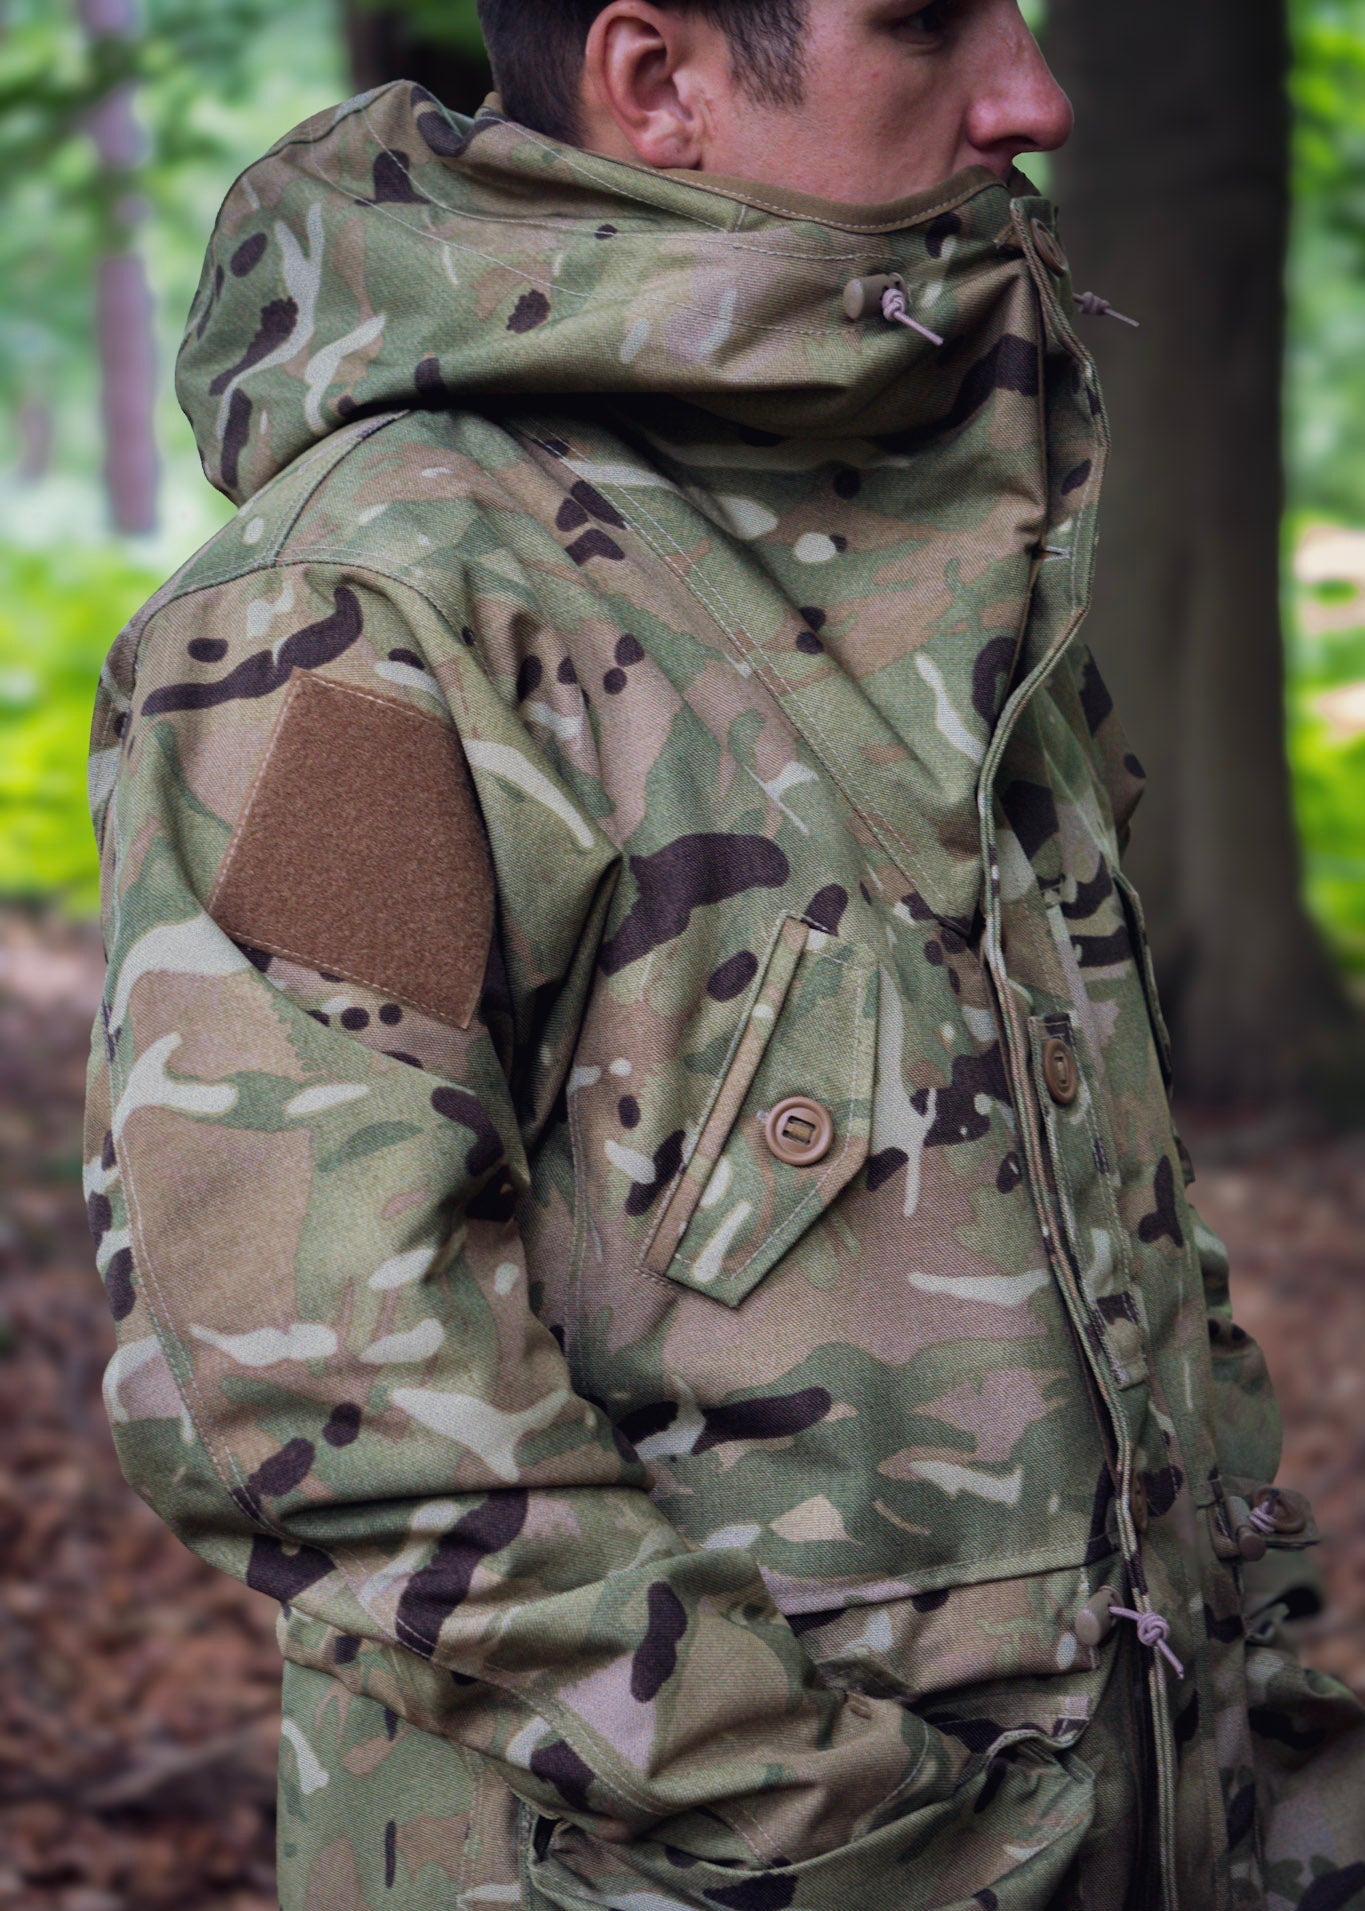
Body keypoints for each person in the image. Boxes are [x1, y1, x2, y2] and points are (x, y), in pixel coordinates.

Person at [83, 2, 1365, 1906]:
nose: (1034, 93)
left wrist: (1267, 1746)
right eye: (925, 23)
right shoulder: (376, 612)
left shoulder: (956, 547)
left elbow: (1119, 1234)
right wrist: (848, 1824)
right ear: (655, 82)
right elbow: (308, 1371)